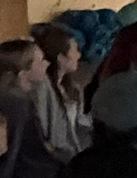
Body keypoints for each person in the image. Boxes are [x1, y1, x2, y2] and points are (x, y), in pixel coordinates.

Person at [0, 38, 68, 178]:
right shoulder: (17, 105)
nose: (47, 63)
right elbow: (11, 156)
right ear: (24, 73)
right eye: (40, 61)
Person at [31, 24, 93, 158]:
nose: (79, 55)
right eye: (75, 50)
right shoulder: (42, 88)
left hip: (72, 157)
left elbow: (80, 125)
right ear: (61, 57)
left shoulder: (71, 87)